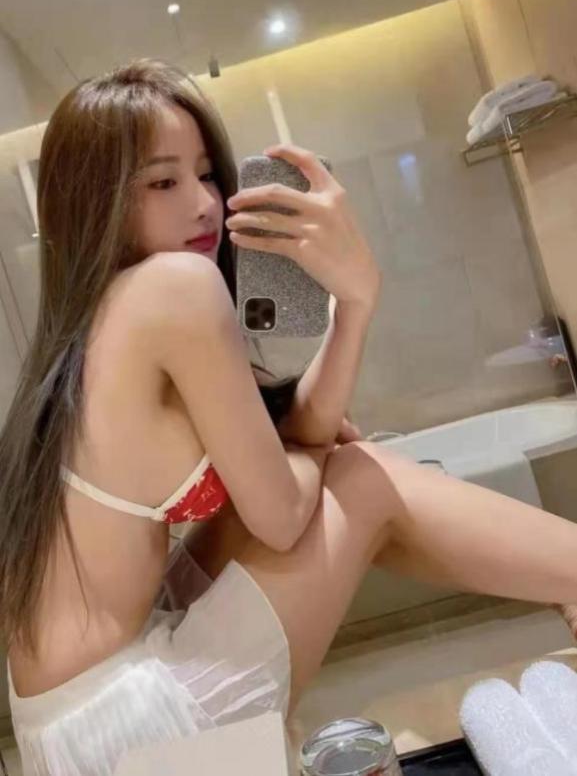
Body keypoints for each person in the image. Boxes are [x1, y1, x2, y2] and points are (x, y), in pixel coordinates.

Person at [0, 57, 576, 776]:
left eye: (206, 174)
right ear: (95, 201)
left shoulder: (102, 313)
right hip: (127, 733)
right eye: (162, 183)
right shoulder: (172, 288)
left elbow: (299, 451)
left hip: (75, 729)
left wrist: (352, 307)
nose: (205, 204)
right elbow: (282, 514)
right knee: (358, 479)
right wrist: (315, 450)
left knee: (342, 469)